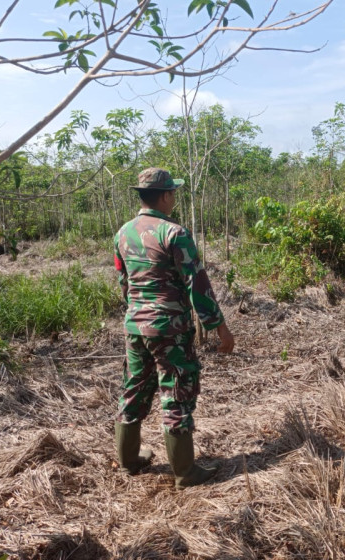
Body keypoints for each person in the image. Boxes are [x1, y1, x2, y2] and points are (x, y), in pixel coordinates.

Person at [113, 167, 235, 488]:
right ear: (165, 195)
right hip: (169, 328)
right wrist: (220, 328)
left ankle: (128, 461)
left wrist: (138, 312)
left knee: (135, 389)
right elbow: (198, 285)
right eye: (173, 194)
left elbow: (124, 283)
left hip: (136, 326)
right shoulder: (174, 233)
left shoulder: (123, 233)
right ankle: (185, 472)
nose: (174, 199)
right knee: (177, 394)